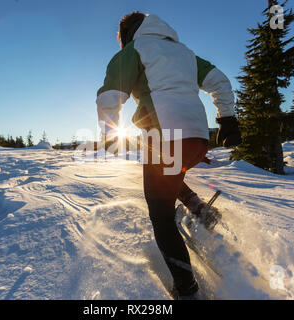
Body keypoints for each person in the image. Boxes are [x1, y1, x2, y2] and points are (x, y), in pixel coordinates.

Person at [96, 12, 241, 300]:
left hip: (165, 135)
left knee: (160, 218)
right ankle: (198, 208)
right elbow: (220, 81)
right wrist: (228, 119)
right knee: (168, 175)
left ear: (127, 35)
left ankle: (186, 291)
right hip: (197, 138)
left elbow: (111, 93)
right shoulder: (185, 52)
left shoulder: (134, 50)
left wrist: (110, 133)